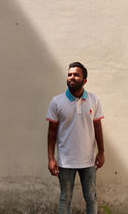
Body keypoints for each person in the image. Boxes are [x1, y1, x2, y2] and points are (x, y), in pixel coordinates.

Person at [46, 62, 105, 214]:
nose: (72, 77)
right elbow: (52, 133)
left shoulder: (94, 100)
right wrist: (51, 158)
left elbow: (98, 128)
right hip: (66, 160)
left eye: (76, 74)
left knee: (91, 198)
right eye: (69, 74)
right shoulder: (56, 102)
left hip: (89, 160)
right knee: (65, 198)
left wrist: (101, 152)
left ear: (84, 80)